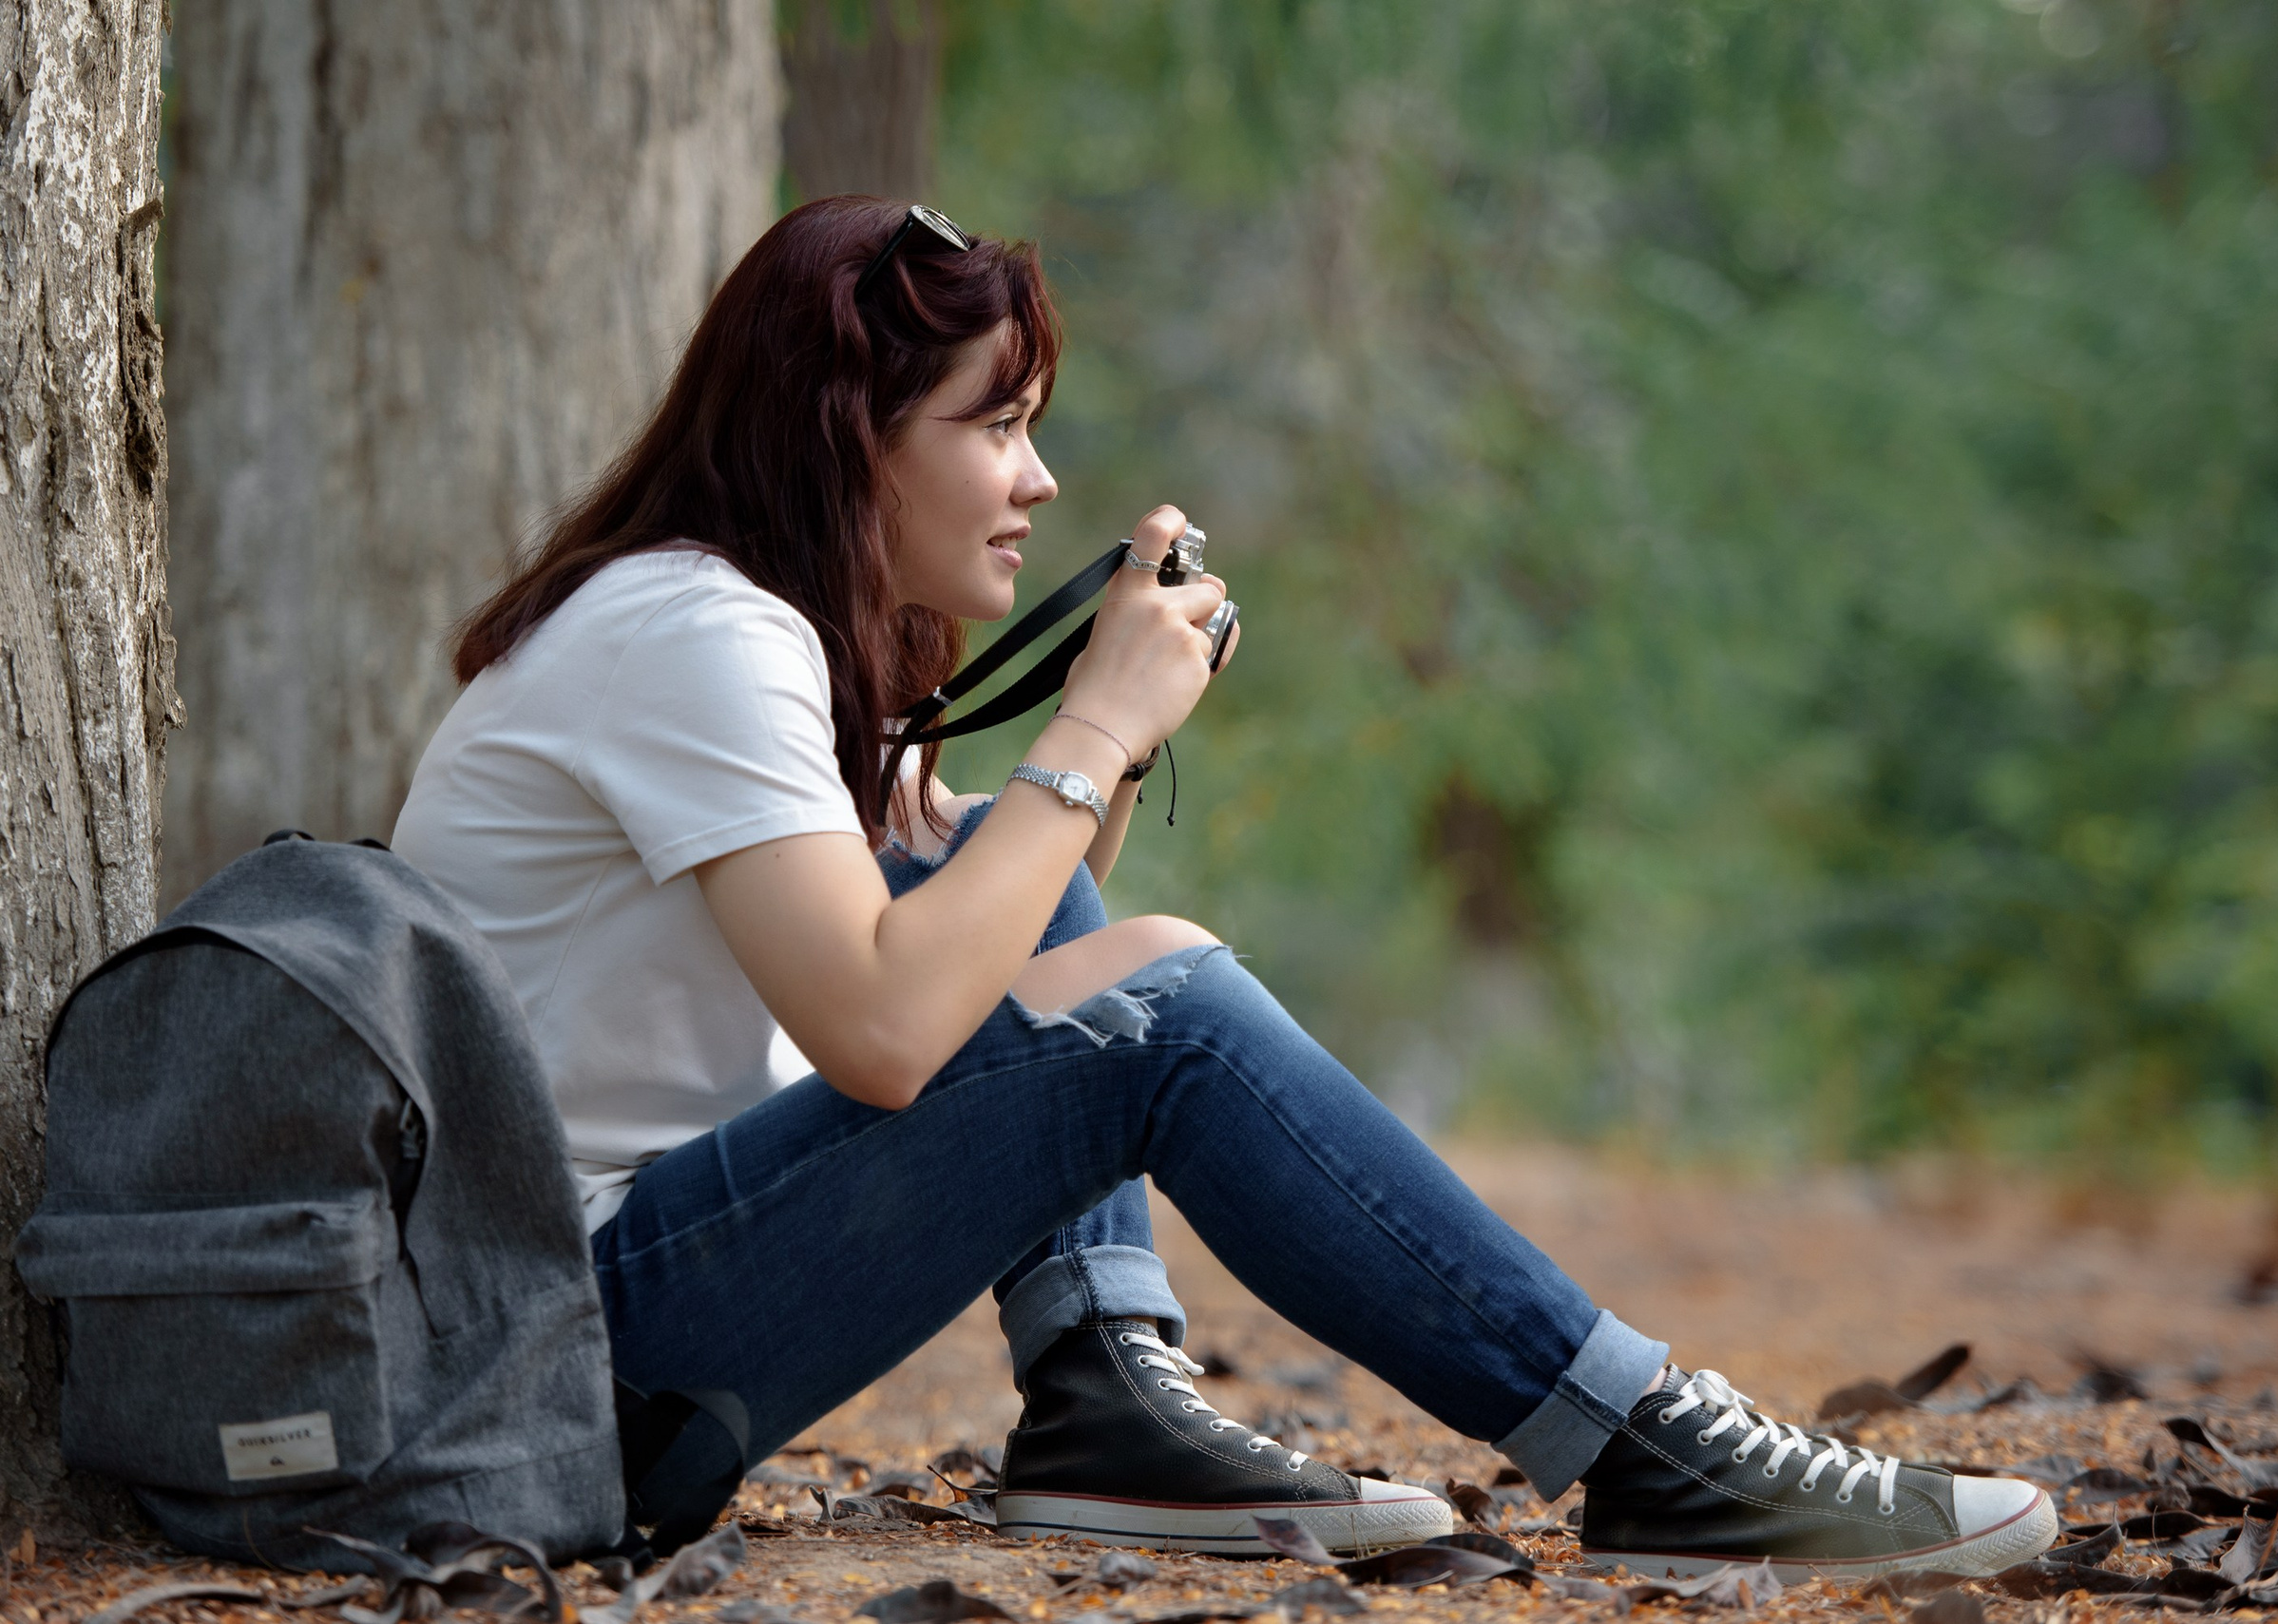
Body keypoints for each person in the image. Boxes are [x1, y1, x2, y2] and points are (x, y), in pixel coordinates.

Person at [391, 198, 2058, 1576]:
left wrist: (1087, 760)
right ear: (852, 439)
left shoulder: (722, 633)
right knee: (1163, 1006)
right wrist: (1098, 722)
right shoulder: (693, 632)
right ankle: (1644, 1442)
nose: (1039, 479)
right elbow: (892, 1036)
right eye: (997, 422)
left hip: (581, 1335)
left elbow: (1003, 934)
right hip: (549, 1363)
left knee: (1013, 874)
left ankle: (1108, 1391)